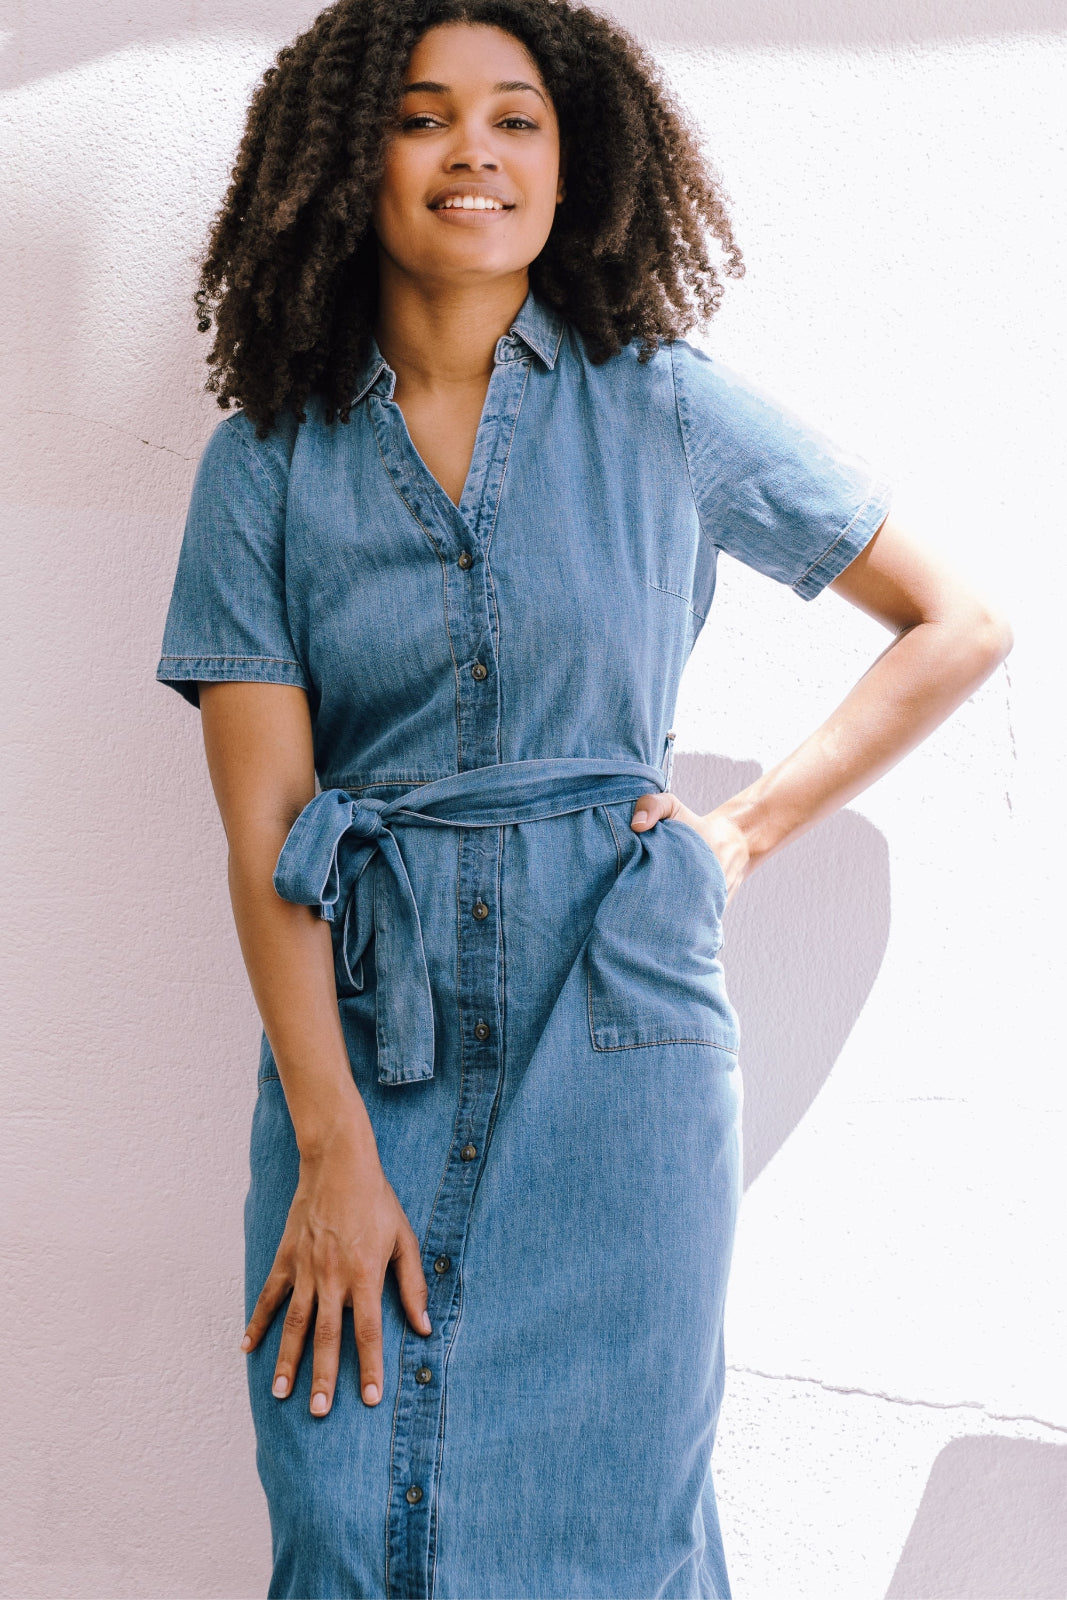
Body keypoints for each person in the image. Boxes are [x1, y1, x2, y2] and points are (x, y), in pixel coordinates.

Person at [155, 1, 1012, 1595]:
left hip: (620, 1026)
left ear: (578, 164)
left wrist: (741, 835)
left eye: (517, 118)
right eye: (423, 116)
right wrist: (333, 1148)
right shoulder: (263, 463)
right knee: (346, 1518)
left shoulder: (663, 403)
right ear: (348, 161)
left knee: (615, 1531)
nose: (472, 151)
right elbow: (266, 833)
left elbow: (953, 623)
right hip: (370, 1037)